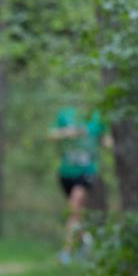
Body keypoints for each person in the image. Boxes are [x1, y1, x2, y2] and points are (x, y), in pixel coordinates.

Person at [48, 107, 109, 264]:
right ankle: (85, 240)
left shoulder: (98, 117)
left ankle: (66, 252)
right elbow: (51, 134)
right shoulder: (66, 114)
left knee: (73, 208)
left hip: (86, 172)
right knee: (76, 213)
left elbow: (105, 140)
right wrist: (68, 132)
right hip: (66, 172)